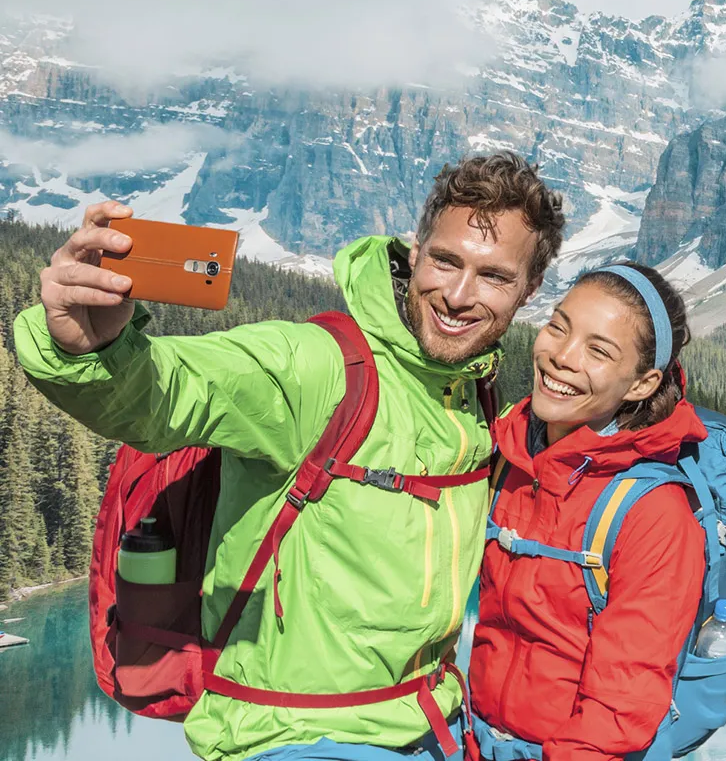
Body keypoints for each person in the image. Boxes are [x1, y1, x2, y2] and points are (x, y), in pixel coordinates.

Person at [13, 152, 565, 761]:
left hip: (432, 733)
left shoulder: (473, 397)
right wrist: (89, 348)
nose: (458, 296)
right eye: (445, 260)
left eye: (494, 277)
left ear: (531, 288)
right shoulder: (315, 367)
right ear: (414, 249)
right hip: (290, 741)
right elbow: (166, 394)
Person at [468, 263, 706, 761]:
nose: (561, 357)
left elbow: (620, 709)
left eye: (599, 351)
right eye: (558, 326)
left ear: (642, 384)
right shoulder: (508, 458)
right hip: (473, 739)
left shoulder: (654, 513)